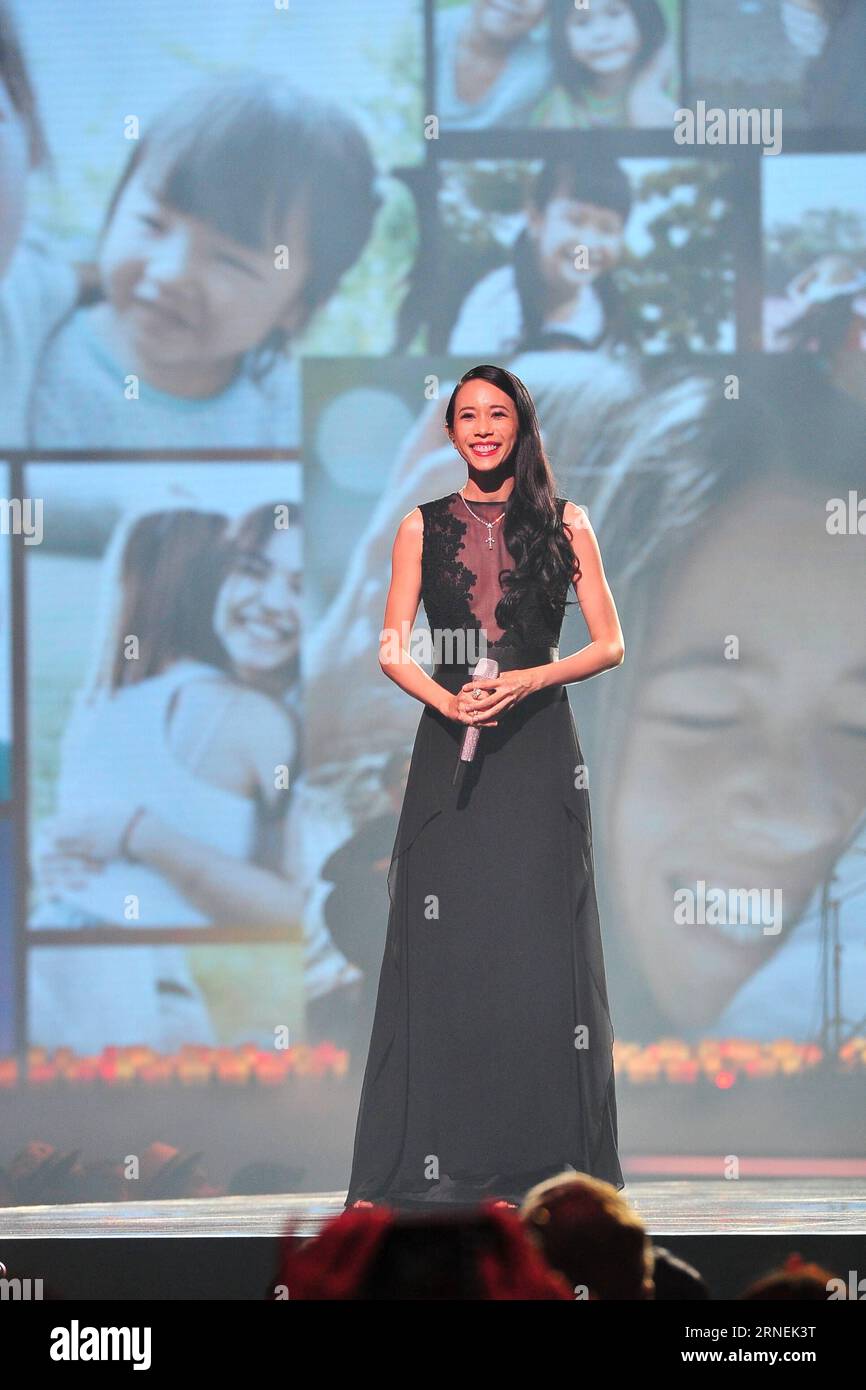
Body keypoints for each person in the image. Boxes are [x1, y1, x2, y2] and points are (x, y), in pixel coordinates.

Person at [344, 363, 625, 1209]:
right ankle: (438, 1163)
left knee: (539, 955)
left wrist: (527, 681)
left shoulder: (567, 521)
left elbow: (609, 644)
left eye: (497, 413)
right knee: (449, 951)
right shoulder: (418, 527)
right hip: (450, 747)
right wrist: (449, 695)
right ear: (450, 431)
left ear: (520, 427)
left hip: (539, 750)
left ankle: (546, 1169)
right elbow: (393, 645)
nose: (481, 427)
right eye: (466, 415)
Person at [529, 0, 677, 130]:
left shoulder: (674, 87)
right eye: (583, 22)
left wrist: (647, 92)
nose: (601, 33)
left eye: (614, 14)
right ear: (562, 38)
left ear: (642, 16)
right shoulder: (557, 107)